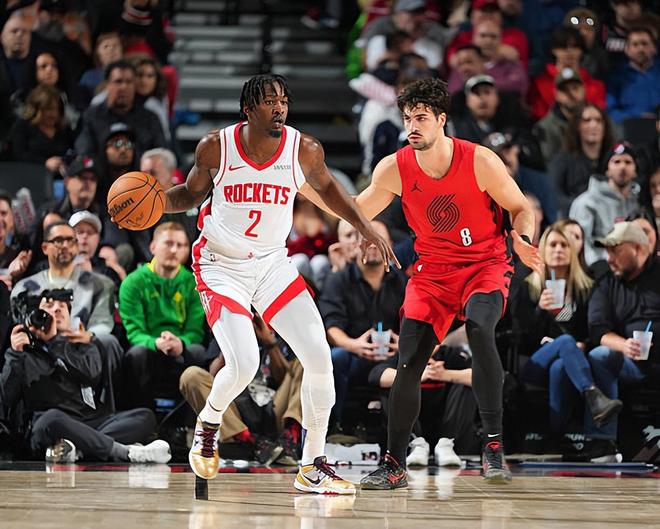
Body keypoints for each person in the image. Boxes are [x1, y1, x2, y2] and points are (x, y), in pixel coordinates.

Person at [143, 74, 395, 493]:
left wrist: (366, 227)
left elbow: (330, 191)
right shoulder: (216, 146)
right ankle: (208, 423)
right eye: (269, 101)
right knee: (243, 364)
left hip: (272, 265)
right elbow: (190, 193)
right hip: (221, 266)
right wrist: (156, 205)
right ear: (248, 109)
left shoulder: (304, 149)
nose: (279, 108)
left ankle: (313, 466)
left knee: (320, 358)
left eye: (283, 101)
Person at [354, 77, 541, 488]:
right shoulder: (394, 167)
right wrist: (304, 187)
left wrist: (523, 238)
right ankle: (394, 464)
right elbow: (353, 209)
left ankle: (493, 447)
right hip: (433, 273)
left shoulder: (480, 160)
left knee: (480, 328)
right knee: (408, 362)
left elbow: (520, 208)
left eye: (421, 117)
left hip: (484, 264)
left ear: (441, 119)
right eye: (407, 118)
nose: (412, 126)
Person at [1, 288, 171, 463]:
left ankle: (78, 449)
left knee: (145, 417)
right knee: (50, 419)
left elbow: (90, 375)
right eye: (49, 306)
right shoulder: (22, 352)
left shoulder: (84, 345)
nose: (57, 309)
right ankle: (126, 452)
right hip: (55, 425)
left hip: (90, 420)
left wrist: (55, 341)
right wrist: (15, 355)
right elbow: (7, 398)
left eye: (62, 307)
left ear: (70, 318)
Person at [512, 223, 621, 441]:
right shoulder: (527, 287)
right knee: (565, 341)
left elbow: (594, 328)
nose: (558, 249)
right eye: (553, 244)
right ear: (543, 250)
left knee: (560, 365)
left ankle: (557, 432)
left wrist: (584, 344)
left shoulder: (586, 289)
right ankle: (593, 396)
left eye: (564, 245)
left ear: (573, 251)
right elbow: (519, 336)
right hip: (535, 361)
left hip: (571, 361)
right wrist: (540, 311)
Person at [585, 221, 660, 460]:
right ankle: (602, 442)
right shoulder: (607, 282)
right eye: (607, 251)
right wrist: (625, 345)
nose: (609, 258)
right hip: (632, 363)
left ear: (638, 248)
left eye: (615, 250)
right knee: (599, 355)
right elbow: (597, 330)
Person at [118, 222, 206, 409]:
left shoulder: (194, 284)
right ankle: (140, 415)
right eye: (168, 243)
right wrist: (156, 342)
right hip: (149, 345)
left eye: (181, 245)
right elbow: (134, 332)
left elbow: (195, 331)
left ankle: (190, 421)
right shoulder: (132, 283)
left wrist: (181, 343)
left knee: (198, 352)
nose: (174, 250)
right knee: (137, 354)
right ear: (153, 246)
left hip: (181, 345)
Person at [569, 142, 640, 265]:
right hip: (598, 270)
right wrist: (600, 267)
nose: (622, 166)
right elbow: (579, 244)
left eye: (628, 162)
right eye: (616, 162)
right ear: (607, 170)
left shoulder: (640, 202)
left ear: (635, 171)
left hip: (633, 268)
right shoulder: (586, 202)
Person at [548, 103, 614, 216]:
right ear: (578, 126)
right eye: (587, 120)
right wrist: (581, 207)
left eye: (598, 120)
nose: (593, 125)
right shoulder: (563, 159)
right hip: (573, 217)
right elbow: (554, 194)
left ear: (605, 127)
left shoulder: (614, 159)